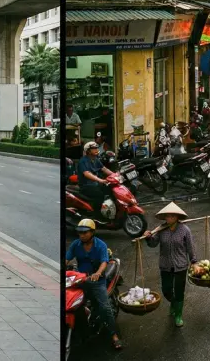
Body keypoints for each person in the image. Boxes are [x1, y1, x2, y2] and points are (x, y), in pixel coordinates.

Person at [66, 219, 122, 349]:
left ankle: (114, 336)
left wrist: (98, 273)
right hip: (80, 280)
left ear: (92, 232)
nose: (82, 235)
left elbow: (104, 262)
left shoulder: (100, 245)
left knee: (105, 308)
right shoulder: (76, 244)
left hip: (97, 281)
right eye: (80, 233)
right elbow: (67, 259)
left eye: (85, 232)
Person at [143, 202, 198, 329]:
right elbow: (153, 244)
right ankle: (173, 303)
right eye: (167, 216)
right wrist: (148, 237)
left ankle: (178, 315)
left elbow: (190, 247)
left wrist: (194, 262)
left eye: (172, 216)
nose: (169, 218)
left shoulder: (185, 230)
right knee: (166, 290)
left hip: (180, 265)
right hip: (165, 265)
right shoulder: (161, 230)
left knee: (179, 291)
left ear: (177, 217)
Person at [77, 141, 115, 212]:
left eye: (96, 148)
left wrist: (115, 175)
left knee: (111, 189)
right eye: (94, 148)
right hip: (86, 186)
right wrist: (100, 180)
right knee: (99, 195)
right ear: (88, 151)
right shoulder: (83, 161)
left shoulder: (96, 160)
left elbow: (104, 169)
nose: (96, 150)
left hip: (96, 184)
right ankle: (97, 213)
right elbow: (87, 173)